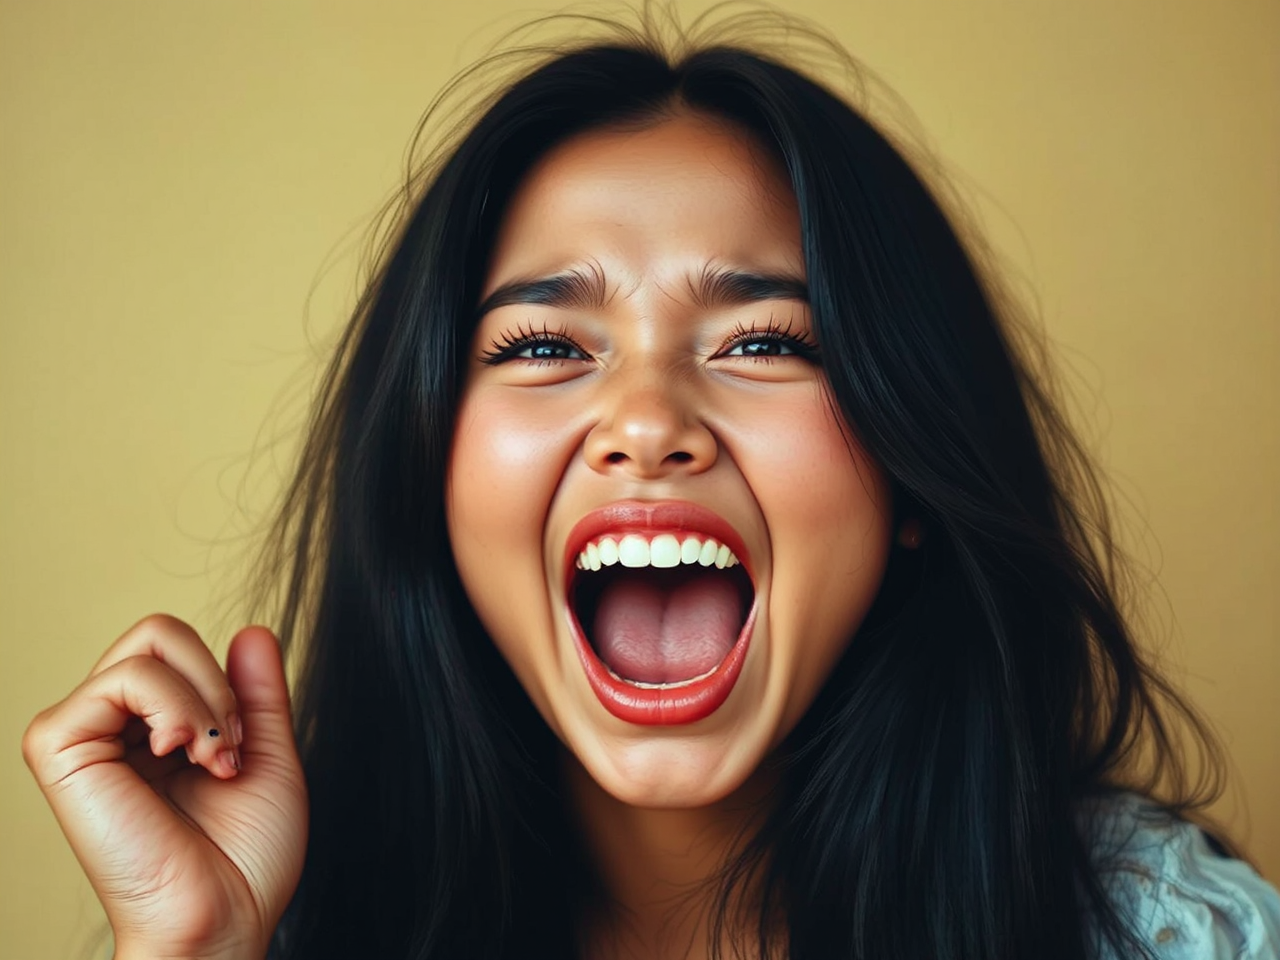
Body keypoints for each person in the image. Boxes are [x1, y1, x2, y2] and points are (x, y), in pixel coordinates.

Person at [21, 7, 1280, 960]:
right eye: (543, 347)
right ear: (429, 480)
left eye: (764, 341)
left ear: (910, 468)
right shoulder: (275, 925)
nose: (644, 422)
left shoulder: (1155, 936)